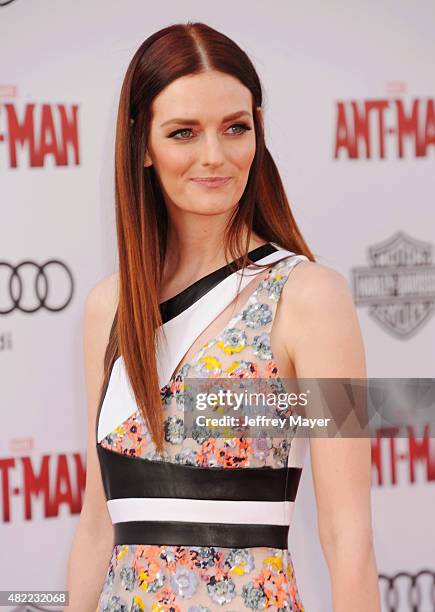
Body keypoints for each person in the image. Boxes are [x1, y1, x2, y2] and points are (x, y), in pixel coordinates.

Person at [66, 21, 381, 611]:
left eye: (235, 128)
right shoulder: (108, 308)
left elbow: (349, 538)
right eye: (184, 132)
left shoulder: (312, 297)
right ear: (142, 147)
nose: (214, 156)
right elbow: (94, 525)